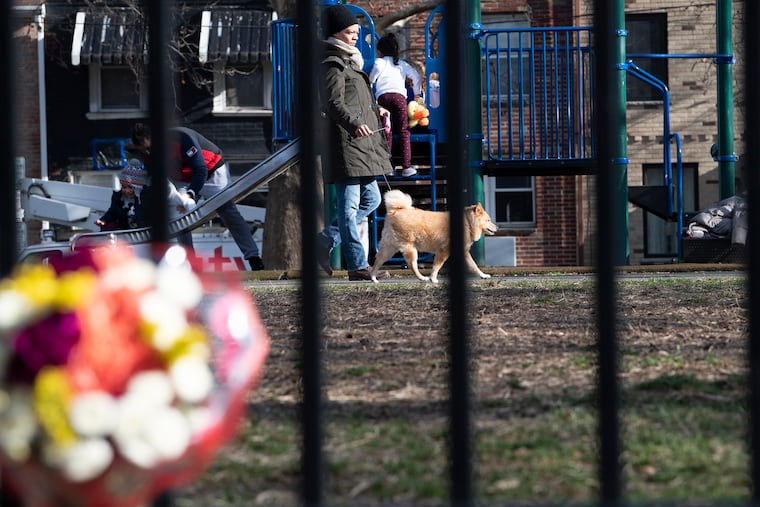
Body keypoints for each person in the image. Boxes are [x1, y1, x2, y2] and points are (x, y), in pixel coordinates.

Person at [317, 4, 392, 281]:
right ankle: (358, 266)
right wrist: (354, 123)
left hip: (361, 145)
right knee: (348, 209)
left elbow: (355, 100)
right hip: (346, 144)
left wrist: (377, 110)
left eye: (356, 31)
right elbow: (333, 102)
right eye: (350, 32)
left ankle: (323, 242)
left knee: (371, 200)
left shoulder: (350, 61)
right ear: (335, 34)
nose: (355, 37)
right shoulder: (332, 63)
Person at [130, 123, 265, 271]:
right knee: (180, 218)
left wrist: (190, 194)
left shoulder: (182, 138)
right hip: (182, 177)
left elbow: (200, 170)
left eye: (150, 148)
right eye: (144, 151)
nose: (148, 153)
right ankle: (190, 264)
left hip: (211, 171)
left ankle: (253, 257)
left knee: (228, 211)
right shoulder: (145, 156)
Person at [369, 32, 422, 178]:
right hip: (399, 98)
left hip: (383, 98)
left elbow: (373, 76)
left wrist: (370, 83)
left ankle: (388, 167)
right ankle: (406, 167)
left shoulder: (379, 63)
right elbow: (416, 77)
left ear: (379, 51)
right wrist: (417, 94)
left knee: (387, 131)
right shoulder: (402, 64)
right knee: (404, 131)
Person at [95, 162, 150, 231]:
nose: (127, 191)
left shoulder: (146, 198)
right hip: (126, 230)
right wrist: (104, 220)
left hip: (145, 232)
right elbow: (113, 211)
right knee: (108, 227)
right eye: (124, 187)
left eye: (131, 187)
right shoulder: (119, 197)